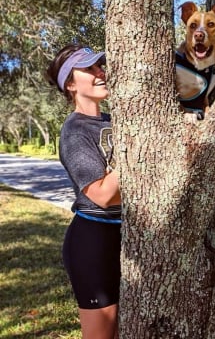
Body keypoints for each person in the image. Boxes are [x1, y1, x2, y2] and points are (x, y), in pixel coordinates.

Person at [46, 44, 121, 339]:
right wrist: (138, 157)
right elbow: (101, 195)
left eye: (99, 66)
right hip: (94, 242)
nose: (100, 72)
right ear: (70, 83)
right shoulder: (75, 131)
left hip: (126, 238)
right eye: (89, 69)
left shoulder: (113, 121)